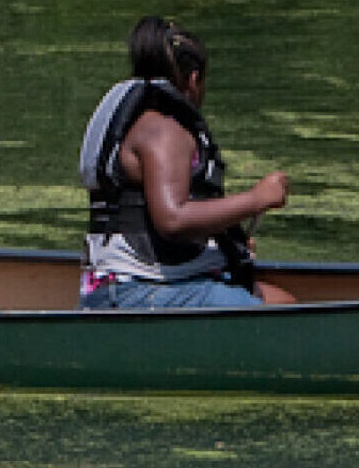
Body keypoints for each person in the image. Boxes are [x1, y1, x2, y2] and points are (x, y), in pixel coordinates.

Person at [75, 16, 293, 309]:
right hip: (137, 291)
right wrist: (256, 199)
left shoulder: (141, 121)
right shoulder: (165, 131)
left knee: (281, 300)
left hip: (123, 286)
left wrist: (227, 241)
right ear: (194, 79)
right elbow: (173, 219)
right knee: (282, 313)